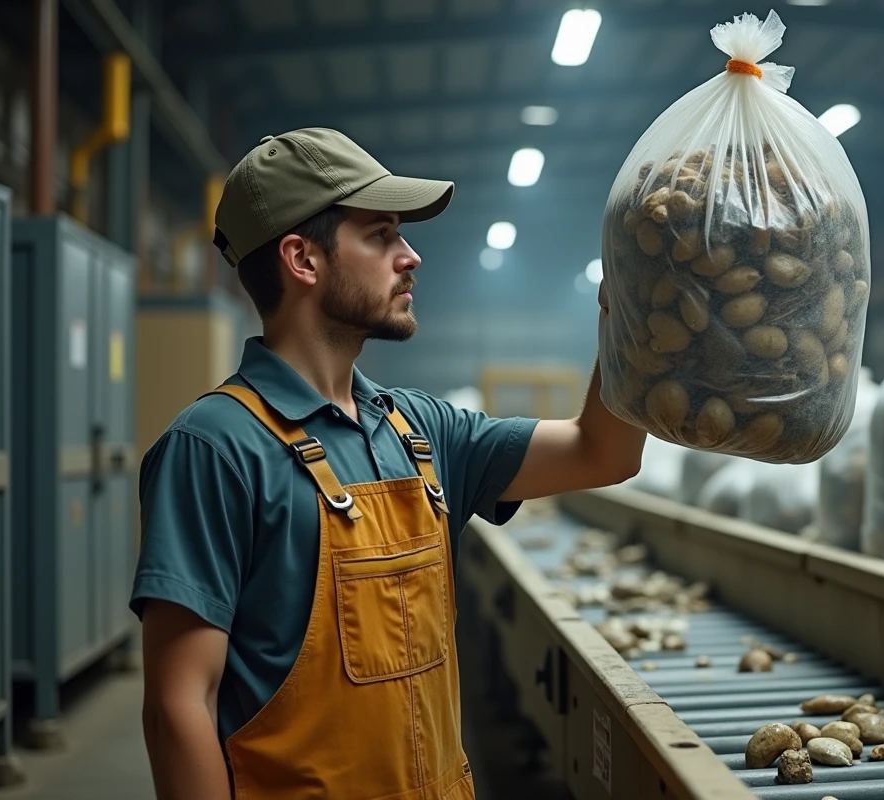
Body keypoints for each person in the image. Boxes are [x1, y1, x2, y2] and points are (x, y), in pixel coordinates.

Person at [131, 127, 646, 800]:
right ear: (302, 259)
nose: (411, 257)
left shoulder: (420, 430)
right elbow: (179, 707)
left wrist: (637, 313)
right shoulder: (216, 448)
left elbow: (601, 453)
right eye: (381, 236)